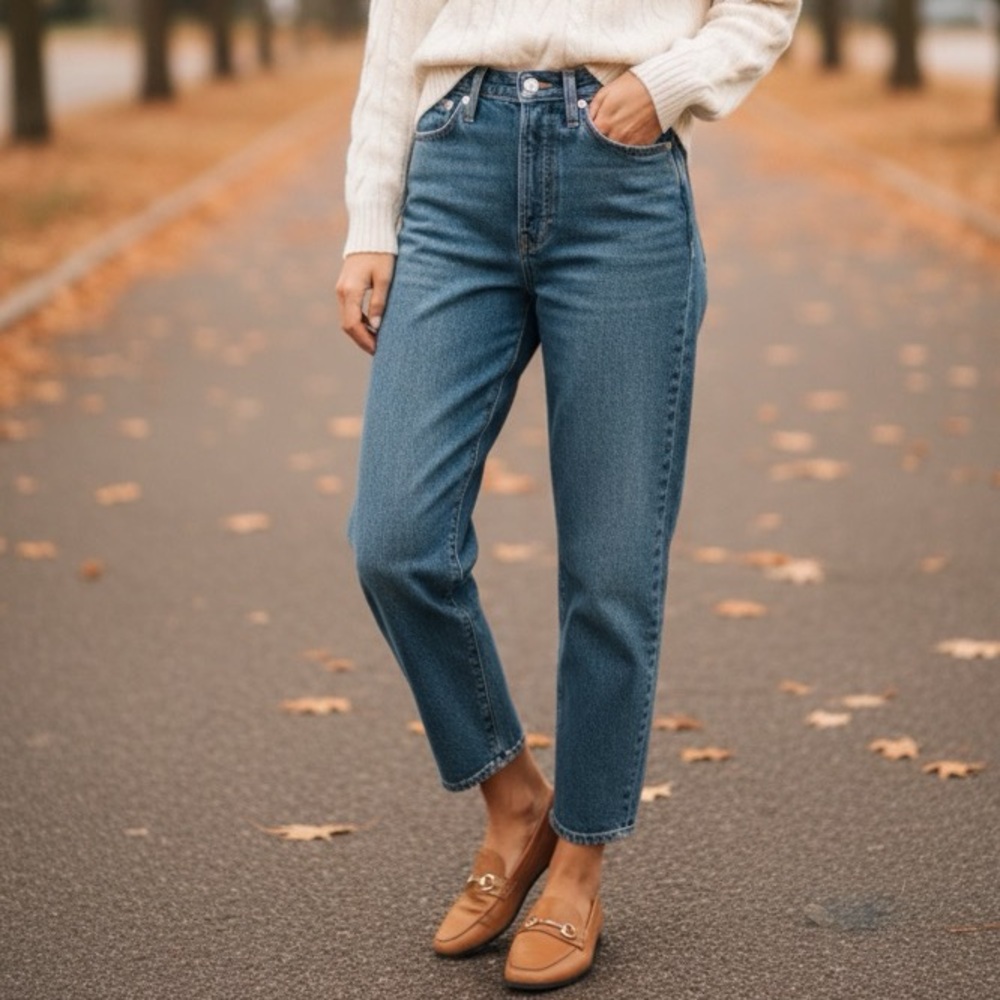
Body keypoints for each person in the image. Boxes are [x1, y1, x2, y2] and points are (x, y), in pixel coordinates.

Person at [335, 1, 801, 990]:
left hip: (620, 176)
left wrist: (662, 87)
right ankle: (514, 798)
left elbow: (762, 9)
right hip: (454, 166)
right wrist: (369, 218)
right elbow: (394, 25)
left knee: (611, 561)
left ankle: (580, 857)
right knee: (394, 536)